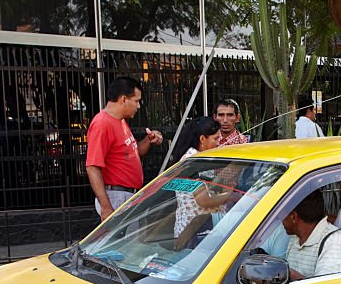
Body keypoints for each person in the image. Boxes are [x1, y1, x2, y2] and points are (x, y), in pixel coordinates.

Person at [85, 76, 163, 220]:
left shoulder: (120, 121)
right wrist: (106, 207)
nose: (139, 106)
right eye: (136, 101)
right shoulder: (102, 124)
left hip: (126, 195)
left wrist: (148, 140)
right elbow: (92, 167)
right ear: (123, 99)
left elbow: (133, 153)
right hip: (117, 197)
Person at [171, 117, 232, 238]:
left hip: (195, 230)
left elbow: (208, 187)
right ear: (202, 139)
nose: (218, 143)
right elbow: (203, 200)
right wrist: (230, 195)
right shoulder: (193, 162)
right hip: (196, 234)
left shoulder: (199, 159)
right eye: (215, 138)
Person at [283, 191, 341, 279]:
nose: (281, 220)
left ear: (294, 217)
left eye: (282, 214)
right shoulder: (295, 239)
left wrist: (288, 274)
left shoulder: (333, 243)